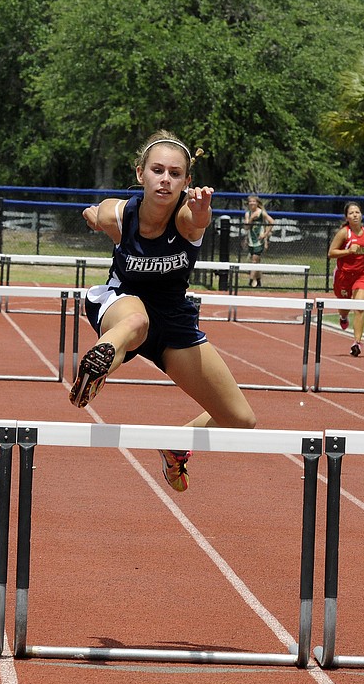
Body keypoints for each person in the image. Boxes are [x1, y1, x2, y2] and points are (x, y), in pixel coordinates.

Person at [70, 131, 256, 492]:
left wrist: (202, 210)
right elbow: (100, 215)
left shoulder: (188, 217)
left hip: (173, 320)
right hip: (122, 302)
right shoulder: (119, 214)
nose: (165, 179)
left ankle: (177, 443)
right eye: (158, 170)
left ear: (187, 182)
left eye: (175, 173)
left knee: (240, 419)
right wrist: (93, 216)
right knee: (136, 320)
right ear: (141, 173)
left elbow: (196, 220)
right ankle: (99, 365)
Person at [327, 201, 364, 357]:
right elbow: (331, 253)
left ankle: (357, 343)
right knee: (345, 306)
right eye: (351, 213)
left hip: (362, 275)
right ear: (347, 217)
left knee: (359, 307)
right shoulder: (344, 233)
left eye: (357, 212)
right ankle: (343, 316)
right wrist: (348, 251)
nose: (355, 215)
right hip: (344, 276)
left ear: (361, 214)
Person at [242, 194, 275, 287]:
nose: (252, 203)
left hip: (259, 241)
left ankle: (250, 281)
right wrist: (251, 218)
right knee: (257, 262)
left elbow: (272, 222)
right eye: (250, 202)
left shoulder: (261, 212)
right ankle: (259, 281)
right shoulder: (248, 214)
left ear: (257, 203)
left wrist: (265, 234)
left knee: (254, 260)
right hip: (251, 240)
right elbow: (246, 227)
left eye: (254, 201)